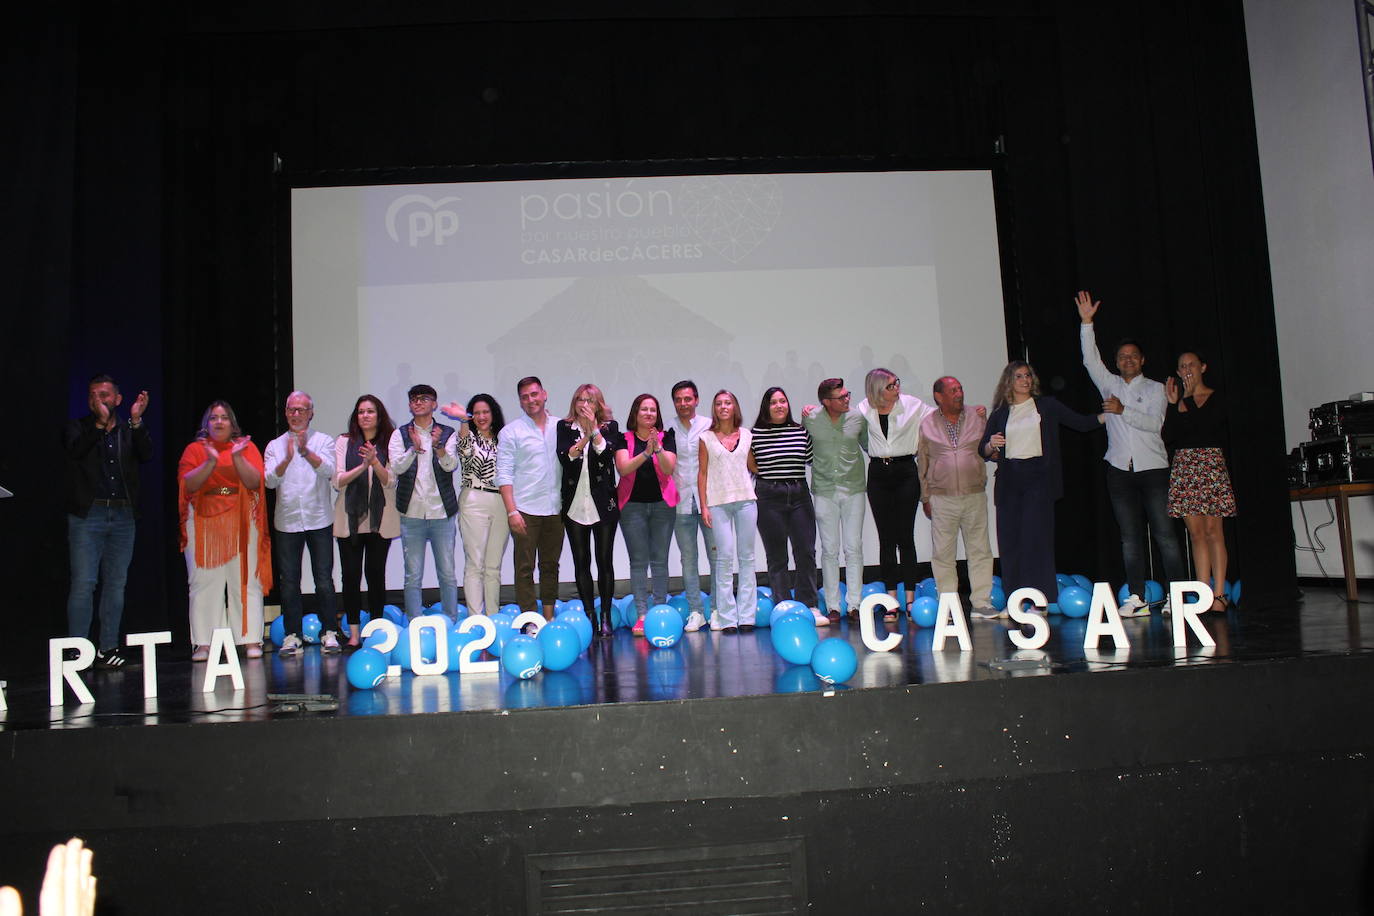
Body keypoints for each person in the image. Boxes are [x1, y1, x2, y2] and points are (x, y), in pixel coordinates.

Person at [1076, 290, 1186, 615]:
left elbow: (1155, 425)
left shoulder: (1156, 389)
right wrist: (1086, 323)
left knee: (1165, 535)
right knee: (1129, 538)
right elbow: (1088, 359)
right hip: (1119, 471)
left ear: (1142, 360)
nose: (1128, 361)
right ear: (1117, 361)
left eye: (1133, 356)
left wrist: (1123, 410)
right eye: (1123, 356)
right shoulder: (1108, 383)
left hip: (1153, 469)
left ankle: (1176, 598)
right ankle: (1136, 596)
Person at [977, 362, 1104, 615]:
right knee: (1011, 542)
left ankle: (1040, 601)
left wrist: (1107, 415)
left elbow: (1081, 423)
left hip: (1038, 479)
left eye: (1028, 375)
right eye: (1019, 376)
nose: (1025, 380)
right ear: (1008, 383)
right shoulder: (1000, 413)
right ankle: (1016, 602)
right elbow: (983, 450)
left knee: (1036, 541)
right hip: (1010, 480)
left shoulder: (1047, 406)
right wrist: (991, 444)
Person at [64, 374, 151, 668]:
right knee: (84, 583)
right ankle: (78, 650)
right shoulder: (79, 427)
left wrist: (137, 422)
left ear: (117, 399)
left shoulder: (128, 430)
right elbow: (75, 452)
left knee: (116, 583)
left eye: (104, 395)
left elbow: (146, 453)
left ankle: (108, 647)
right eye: (93, 396)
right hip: (89, 515)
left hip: (123, 514)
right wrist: (100, 426)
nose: (98, 400)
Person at [178, 400, 272, 661]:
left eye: (224, 417)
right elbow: (189, 484)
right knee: (204, 582)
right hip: (204, 521)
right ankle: (205, 643)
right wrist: (210, 461)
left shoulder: (246, 447)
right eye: (213, 418)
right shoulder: (195, 450)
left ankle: (250, 639)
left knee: (245, 580)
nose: (219, 422)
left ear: (232, 424)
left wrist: (238, 456)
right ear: (206, 424)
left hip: (241, 518)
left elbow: (255, 481)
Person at [264, 391, 340, 656]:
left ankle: (329, 631)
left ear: (311, 413)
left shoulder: (323, 441)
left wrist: (306, 452)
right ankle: (292, 635)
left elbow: (331, 472)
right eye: (291, 410)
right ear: (285, 413)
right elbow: (269, 482)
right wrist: (286, 459)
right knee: (289, 581)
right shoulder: (275, 445)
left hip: (319, 517)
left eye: (301, 410)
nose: (296, 415)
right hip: (287, 521)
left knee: (323, 580)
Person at [1163, 351, 1236, 612]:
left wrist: (1188, 399)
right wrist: (1175, 403)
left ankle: (1219, 596)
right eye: (1181, 366)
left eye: (1191, 364)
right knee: (1196, 534)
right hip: (1185, 466)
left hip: (1210, 464)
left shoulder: (1216, 398)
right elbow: (1169, 436)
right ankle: (1203, 593)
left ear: (1203, 366)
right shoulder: (1177, 401)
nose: (1186, 369)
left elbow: (1207, 427)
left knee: (1214, 531)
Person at [856, 368, 931, 616]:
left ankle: (909, 598)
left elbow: (938, 417)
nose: (896, 388)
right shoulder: (864, 408)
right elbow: (842, 422)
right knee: (886, 539)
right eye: (890, 385)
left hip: (905, 470)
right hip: (878, 473)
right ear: (877, 390)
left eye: (896, 383)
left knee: (905, 537)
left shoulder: (912, 405)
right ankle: (891, 600)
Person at [917, 377, 995, 615]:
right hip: (942, 497)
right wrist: (926, 497)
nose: (959, 394)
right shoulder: (927, 423)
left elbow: (988, 450)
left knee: (980, 550)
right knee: (943, 554)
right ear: (938, 397)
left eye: (960, 389)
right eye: (952, 391)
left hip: (974, 494)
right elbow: (923, 462)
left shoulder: (977, 417)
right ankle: (948, 605)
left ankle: (981, 603)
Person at [749, 386, 825, 627]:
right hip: (769, 495)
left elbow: (813, 458)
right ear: (766, 407)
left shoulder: (800, 431)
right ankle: (783, 607)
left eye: (783, 401)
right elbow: (748, 465)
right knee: (777, 556)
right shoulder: (754, 435)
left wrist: (815, 417)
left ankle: (809, 605)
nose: (779, 406)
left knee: (806, 552)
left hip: (799, 495)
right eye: (774, 402)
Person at [387, 384, 460, 620]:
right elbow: (396, 467)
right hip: (412, 515)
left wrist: (437, 447)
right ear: (409, 405)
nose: (418, 402)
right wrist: (413, 449)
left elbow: (451, 465)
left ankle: (451, 621)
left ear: (434, 404)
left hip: (442, 514)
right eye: (413, 399)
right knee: (412, 575)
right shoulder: (400, 434)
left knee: (447, 574)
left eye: (423, 398)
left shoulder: (447, 432)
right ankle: (414, 624)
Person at [496, 376, 563, 621]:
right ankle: (529, 620)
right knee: (524, 569)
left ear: (544, 394)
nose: (531, 400)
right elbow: (503, 473)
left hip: (556, 509)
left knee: (550, 566)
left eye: (534, 394)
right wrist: (512, 511)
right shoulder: (511, 432)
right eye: (525, 397)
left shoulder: (561, 426)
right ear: (520, 402)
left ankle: (548, 617)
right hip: (525, 510)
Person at [802, 378, 868, 622]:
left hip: (854, 489)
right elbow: (803, 449)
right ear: (826, 402)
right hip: (825, 490)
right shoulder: (810, 419)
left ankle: (855, 605)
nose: (847, 399)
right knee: (829, 550)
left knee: (854, 547)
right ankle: (833, 606)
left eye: (847, 394)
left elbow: (872, 445)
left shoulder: (857, 418)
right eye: (841, 397)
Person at [334, 394, 397, 647]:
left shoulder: (390, 441)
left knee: (375, 575)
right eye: (361, 412)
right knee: (350, 575)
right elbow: (337, 481)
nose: (365, 416)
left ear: (379, 415)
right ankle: (354, 633)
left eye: (370, 411)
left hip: (380, 519)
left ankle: (376, 629)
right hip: (349, 519)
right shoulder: (344, 442)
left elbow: (391, 480)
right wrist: (362, 466)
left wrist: (375, 462)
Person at [556, 384, 620, 635]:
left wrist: (594, 428)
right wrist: (585, 434)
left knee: (605, 561)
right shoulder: (564, 427)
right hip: (575, 504)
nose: (585, 404)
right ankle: (589, 615)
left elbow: (605, 453)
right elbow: (568, 456)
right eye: (581, 399)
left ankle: (605, 615)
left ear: (599, 404)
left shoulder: (609, 427)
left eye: (590, 400)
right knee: (581, 562)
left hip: (603, 504)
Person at [440, 394, 509, 616]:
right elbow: (466, 452)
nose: (481, 417)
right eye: (476, 413)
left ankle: (494, 617)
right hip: (474, 500)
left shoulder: (504, 438)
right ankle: (476, 619)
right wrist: (462, 421)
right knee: (475, 564)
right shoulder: (466, 435)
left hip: (501, 501)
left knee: (493, 567)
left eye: (485, 412)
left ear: (493, 413)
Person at [616, 393, 678, 635]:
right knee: (639, 562)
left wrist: (658, 449)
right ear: (635, 413)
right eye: (644, 409)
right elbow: (623, 468)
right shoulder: (623, 438)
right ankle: (642, 614)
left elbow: (668, 467)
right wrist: (645, 452)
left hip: (663, 506)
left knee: (660, 561)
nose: (649, 413)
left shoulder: (667, 437)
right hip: (633, 508)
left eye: (653, 410)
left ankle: (660, 609)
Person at [698, 390, 758, 633]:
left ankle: (746, 617)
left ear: (735, 407)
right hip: (718, 503)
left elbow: (753, 465)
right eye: (719, 403)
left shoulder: (746, 435)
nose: (723, 407)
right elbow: (702, 474)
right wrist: (703, 505)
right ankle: (727, 618)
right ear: (715, 409)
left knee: (747, 559)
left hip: (745, 501)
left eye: (728, 402)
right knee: (724, 559)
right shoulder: (706, 438)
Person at [669, 380, 714, 632]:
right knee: (689, 560)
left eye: (688, 399)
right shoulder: (668, 430)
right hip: (681, 503)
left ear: (696, 400)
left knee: (716, 557)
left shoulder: (710, 425)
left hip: (710, 501)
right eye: (678, 400)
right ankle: (696, 611)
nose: (683, 404)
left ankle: (717, 609)